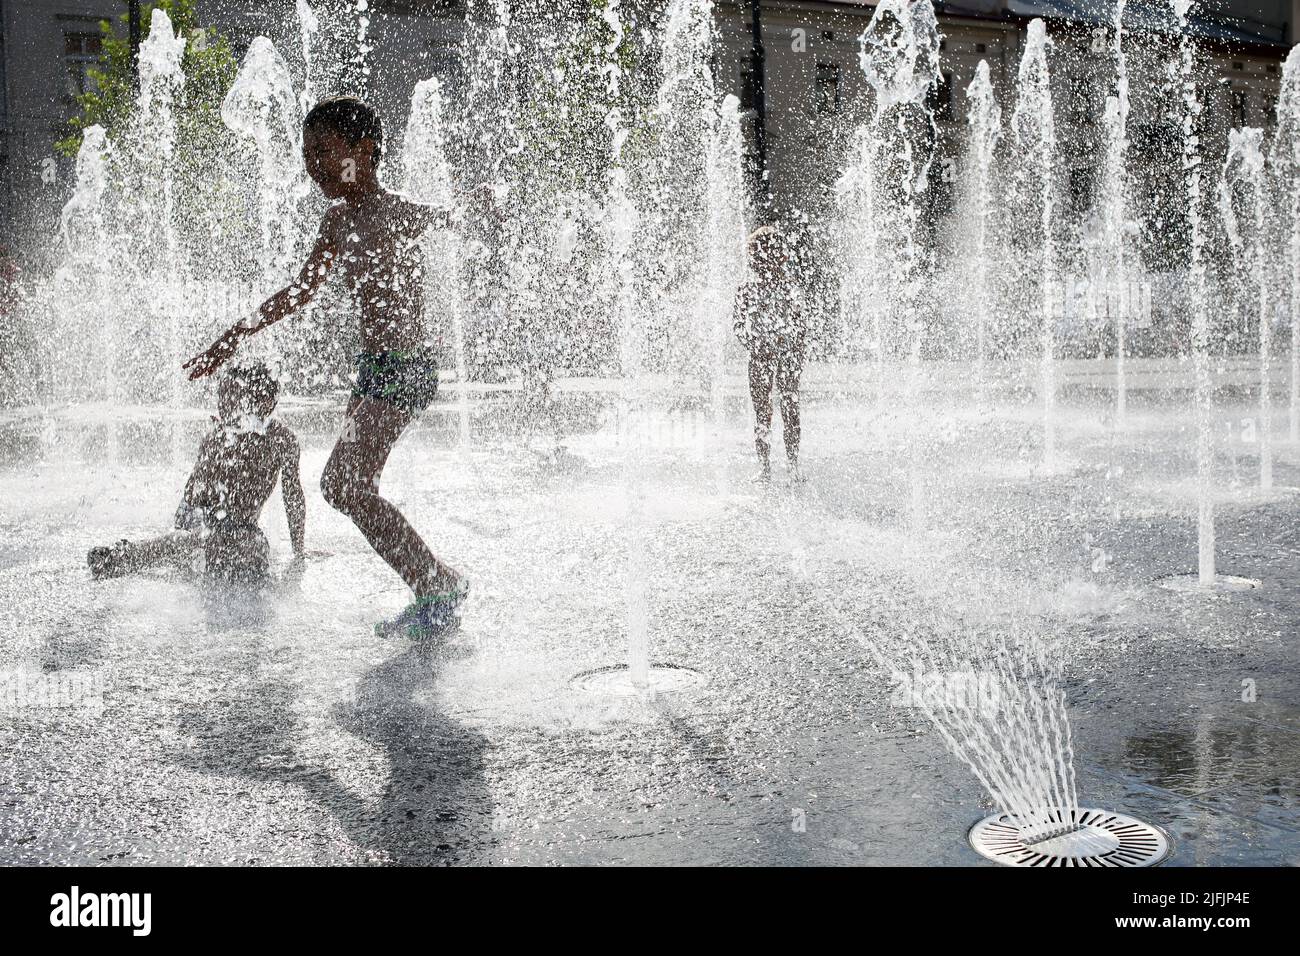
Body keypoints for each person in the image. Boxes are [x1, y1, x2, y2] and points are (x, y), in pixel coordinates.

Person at [183, 96, 480, 638]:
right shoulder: (338, 220)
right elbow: (300, 290)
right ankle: (432, 584)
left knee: (344, 485)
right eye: (306, 154)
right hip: (372, 373)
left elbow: (460, 224)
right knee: (348, 485)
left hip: (406, 369)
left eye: (324, 151)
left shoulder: (400, 213)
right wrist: (232, 337)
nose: (312, 165)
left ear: (363, 152)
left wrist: (478, 219)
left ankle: (437, 583)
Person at [88, 363, 304, 583]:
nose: (221, 405)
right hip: (200, 521)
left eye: (229, 397)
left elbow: (293, 499)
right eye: (221, 396)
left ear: (260, 401)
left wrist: (299, 553)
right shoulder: (219, 438)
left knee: (251, 548)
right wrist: (211, 461)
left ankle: (133, 556)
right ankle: (123, 556)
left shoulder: (282, 440)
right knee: (188, 542)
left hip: (241, 530)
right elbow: (192, 496)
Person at [732, 225, 807, 483]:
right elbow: (738, 326)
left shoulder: (790, 288)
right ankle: (765, 468)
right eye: (757, 254)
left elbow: (801, 326)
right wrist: (755, 343)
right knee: (763, 411)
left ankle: (793, 464)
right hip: (760, 356)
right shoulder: (746, 289)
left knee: (789, 408)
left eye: (769, 252)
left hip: (787, 355)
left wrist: (788, 343)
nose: (762, 260)